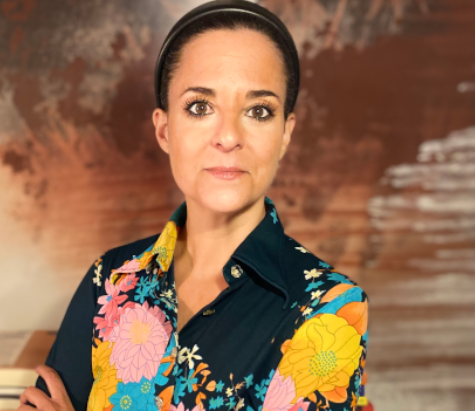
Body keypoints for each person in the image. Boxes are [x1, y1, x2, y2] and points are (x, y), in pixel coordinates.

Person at [19, 1, 369, 411]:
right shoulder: (110, 278)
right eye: (200, 107)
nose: (228, 137)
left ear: (285, 135)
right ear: (164, 130)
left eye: (258, 111)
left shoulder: (329, 306)